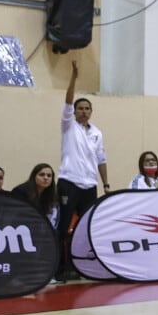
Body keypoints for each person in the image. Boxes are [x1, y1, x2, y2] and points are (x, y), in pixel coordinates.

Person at [57, 61, 109, 279]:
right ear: (74, 111)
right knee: (64, 225)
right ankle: (59, 268)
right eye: (80, 108)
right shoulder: (68, 126)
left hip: (90, 184)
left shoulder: (97, 132)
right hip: (69, 181)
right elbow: (68, 100)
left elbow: (101, 159)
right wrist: (74, 77)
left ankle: (84, 266)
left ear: (91, 112)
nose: (84, 111)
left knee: (87, 226)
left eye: (87, 108)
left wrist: (105, 184)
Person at [12, 163, 60, 228]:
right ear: (34, 176)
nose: (46, 178)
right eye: (42, 175)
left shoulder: (52, 195)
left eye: (49, 176)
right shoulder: (20, 191)